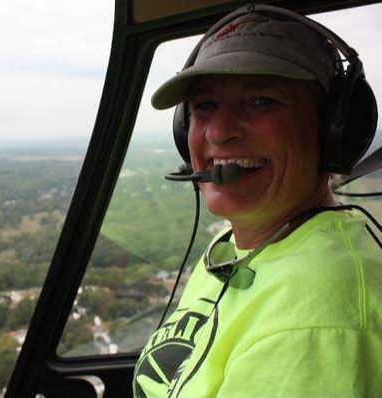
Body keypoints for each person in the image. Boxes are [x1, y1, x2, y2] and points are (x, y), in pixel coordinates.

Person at [133, 4, 382, 398]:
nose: (219, 131)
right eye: (205, 106)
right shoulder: (236, 247)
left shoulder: (315, 318)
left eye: (261, 100)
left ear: (335, 129)